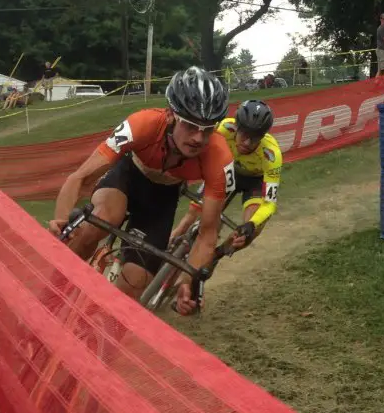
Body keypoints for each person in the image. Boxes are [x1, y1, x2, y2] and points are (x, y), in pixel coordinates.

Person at [48, 66, 235, 315]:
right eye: (190, 126)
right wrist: (62, 221)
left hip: (161, 199)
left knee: (136, 282)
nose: (199, 139)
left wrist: (188, 281)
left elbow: (207, 233)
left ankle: (94, 340)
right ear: (171, 115)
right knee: (99, 220)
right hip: (128, 177)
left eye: (208, 129)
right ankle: (51, 295)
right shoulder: (143, 124)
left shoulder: (219, 158)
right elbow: (80, 178)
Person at [170, 99, 282, 253]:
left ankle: (217, 254)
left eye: (255, 138)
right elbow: (195, 153)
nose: (247, 143)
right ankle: (165, 250)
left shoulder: (272, 154)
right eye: (244, 135)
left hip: (255, 181)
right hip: (229, 170)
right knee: (190, 216)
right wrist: (181, 177)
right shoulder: (224, 128)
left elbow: (269, 203)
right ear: (236, 127)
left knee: (251, 228)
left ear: (263, 136)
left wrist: (251, 225)